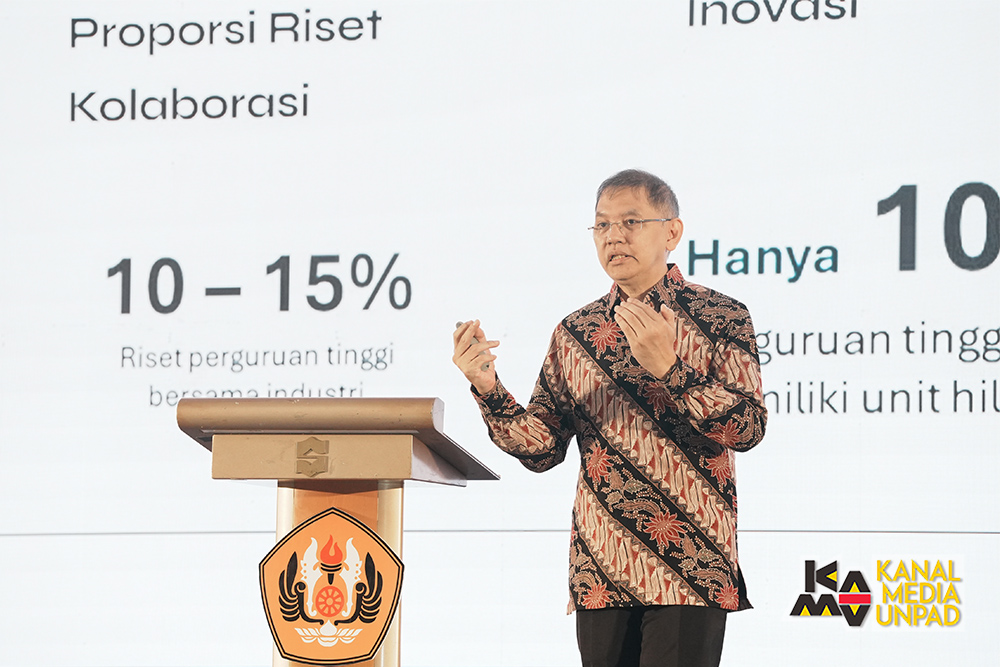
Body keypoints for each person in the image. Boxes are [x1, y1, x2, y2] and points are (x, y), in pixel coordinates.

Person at [452, 169, 766, 667]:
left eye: (630, 222)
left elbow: (747, 428)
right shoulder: (576, 332)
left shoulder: (720, 316)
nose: (614, 236)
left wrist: (671, 369)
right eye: (602, 225)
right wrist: (489, 389)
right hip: (603, 565)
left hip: (690, 562)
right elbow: (542, 449)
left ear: (671, 232)